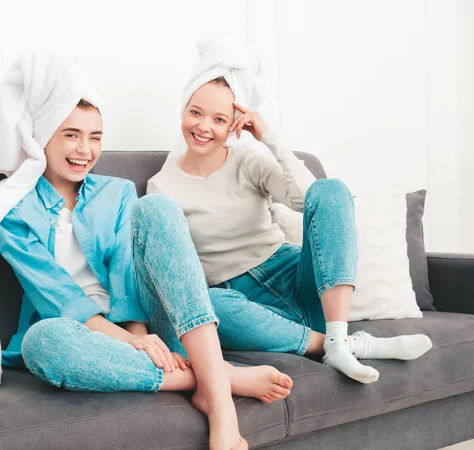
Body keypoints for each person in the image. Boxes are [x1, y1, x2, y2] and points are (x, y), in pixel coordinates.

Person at [0, 52, 293, 450]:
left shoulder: (119, 191)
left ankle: (221, 407)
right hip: (81, 333)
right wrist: (129, 344)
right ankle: (215, 378)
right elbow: (56, 296)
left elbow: (128, 276)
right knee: (42, 342)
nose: (84, 150)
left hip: (151, 327)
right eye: (70, 134)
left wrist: (140, 334)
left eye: (95, 136)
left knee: (156, 208)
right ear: (42, 137)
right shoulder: (11, 211)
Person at [148, 40, 433, 385]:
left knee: (332, 188)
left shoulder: (248, 161)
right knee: (207, 308)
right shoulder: (162, 188)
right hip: (239, 303)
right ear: (183, 111)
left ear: (235, 123)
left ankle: (337, 334)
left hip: (293, 275)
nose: (204, 126)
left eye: (219, 118)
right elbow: (177, 273)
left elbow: (311, 198)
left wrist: (268, 137)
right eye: (195, 112)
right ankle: (340, 345)